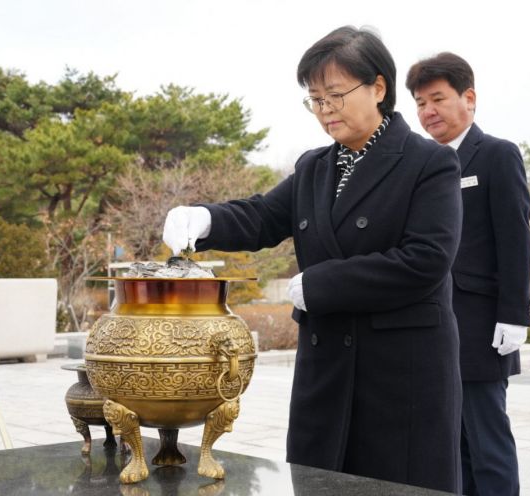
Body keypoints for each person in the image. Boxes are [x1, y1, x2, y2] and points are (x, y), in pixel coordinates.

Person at [163, 26, 463, 494]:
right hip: (326, 369)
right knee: (320, 479)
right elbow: (262, 216)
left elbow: (426, 260)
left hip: (399, 373)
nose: (325, 110)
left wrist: (322, 284)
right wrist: (205, 220)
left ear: (378, 88)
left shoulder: (429, 163)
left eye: (335, 95)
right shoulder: (315, 167)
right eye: (315, 99)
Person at [406, 52, 530, 496]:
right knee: (449, 445)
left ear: (469, 98)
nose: (428, 112)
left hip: (479, 326)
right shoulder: (418, 164)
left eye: (437, 99)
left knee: (487, 440)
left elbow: (515, 239)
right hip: (429, 326)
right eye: (420, 103)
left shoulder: (496, 155)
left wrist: (515, 315)